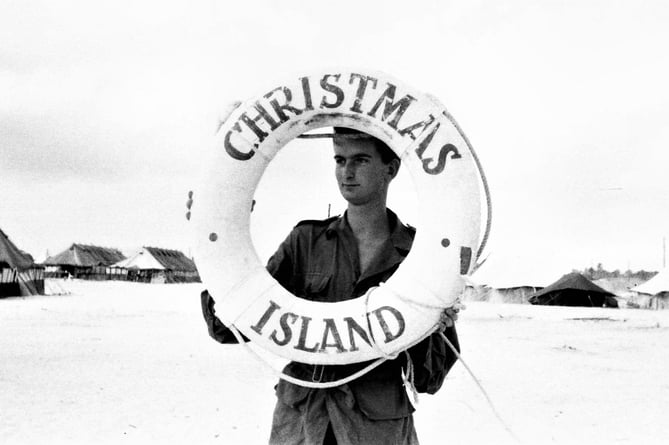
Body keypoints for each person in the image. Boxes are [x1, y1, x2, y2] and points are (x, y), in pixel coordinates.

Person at [200, 127, 461, 445]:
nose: (347, 172)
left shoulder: (420, 256)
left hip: (377, 431)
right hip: (303, 424)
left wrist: (436, 327)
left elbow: (429, 379)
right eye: (340, 160)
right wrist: (215, 248)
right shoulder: (305, 242)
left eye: (360, 160)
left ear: (390, 169)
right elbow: (227, 327)